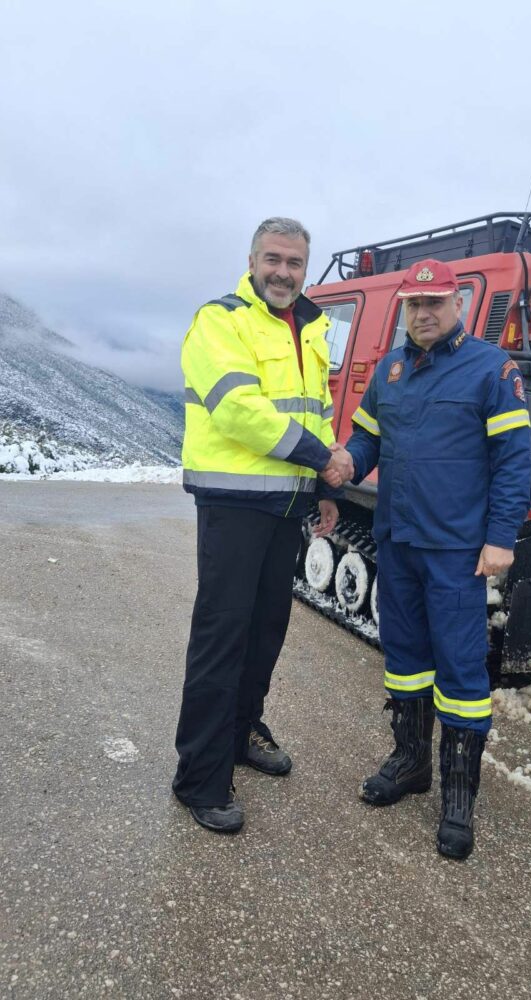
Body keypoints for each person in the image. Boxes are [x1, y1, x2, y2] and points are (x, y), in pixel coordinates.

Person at [323, 258, 531, 859]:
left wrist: (501, 536)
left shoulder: (492, 369)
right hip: (397, 540)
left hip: (455, 550)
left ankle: (458, 797)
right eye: (414, 304)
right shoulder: (389, 370)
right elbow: (368, 437)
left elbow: (514, 460)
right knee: (406, 658)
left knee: (461, 670)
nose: (423, 313)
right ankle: (411, 762)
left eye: (434, 302)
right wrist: (348, 463)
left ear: (457, 304)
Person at [173, 216, 343, 833]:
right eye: (273, 259)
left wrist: (326, 487)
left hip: (287, 505)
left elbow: (318, 411)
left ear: (305, 269)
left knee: (265, 630)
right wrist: (323, 458)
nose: (283, 272)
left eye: (295, 262)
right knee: (222, 635)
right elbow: (238, 411)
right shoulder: (221, 320)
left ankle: (242, 731)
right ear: (251, 262)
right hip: (234, 505)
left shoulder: (311, 328)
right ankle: (199, 776)